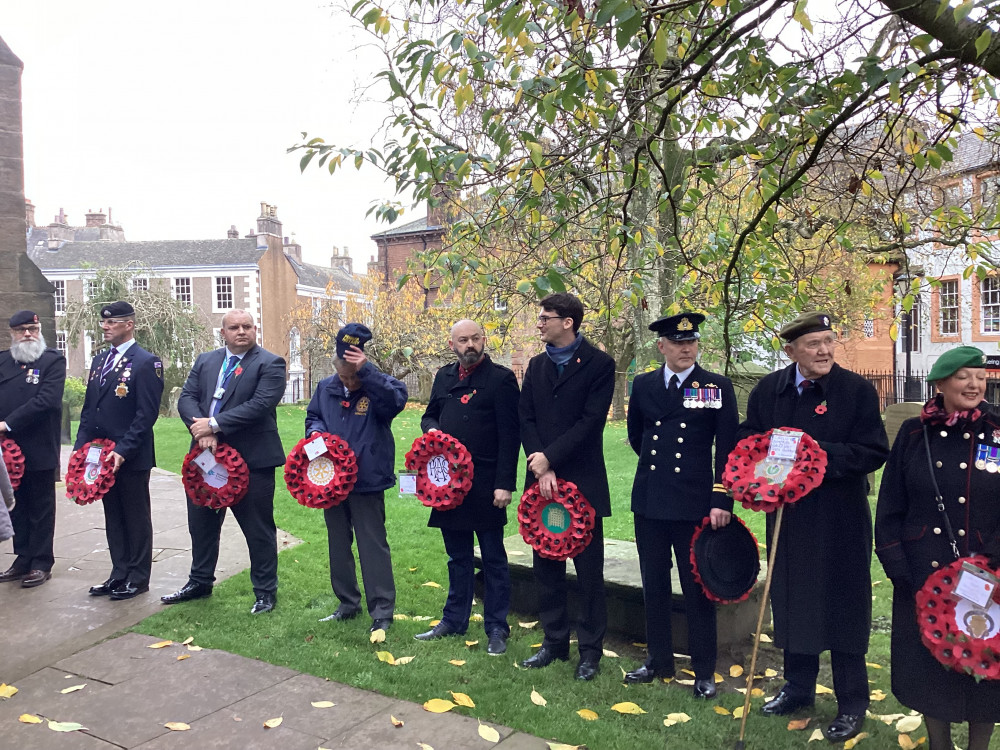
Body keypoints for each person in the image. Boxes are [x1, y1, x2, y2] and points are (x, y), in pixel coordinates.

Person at [738, 311, 889, 742]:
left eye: (828, 341)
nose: (824, 351)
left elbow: (873, 450)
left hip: (841, 516)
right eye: (813, 344)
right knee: (794, 599)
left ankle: (852, 701)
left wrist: (817, 457)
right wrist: (759, 467)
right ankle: (798, 688)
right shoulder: (770, 390)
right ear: (791, 351)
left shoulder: (856, 391)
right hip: (790, 517)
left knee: (844, 605)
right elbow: (749, 440)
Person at [876, 346, 1000, 750]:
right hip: (924, 572)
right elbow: (890, 504)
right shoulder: (915, 434)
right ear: (941, 384)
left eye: (980, 377)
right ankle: (939, 744)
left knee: (987, 662)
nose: (974, 384)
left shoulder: (998, 430)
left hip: (988, 574)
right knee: (930, 670)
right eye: (964, 377)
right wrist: (899, 567)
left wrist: (995, 562)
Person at [624, 312, 738, 698]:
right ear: (662, 346)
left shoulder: (715, 387)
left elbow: (727, 448)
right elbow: (637, 436)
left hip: (695, 503)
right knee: (654, 584)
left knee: (697, 588)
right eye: (677, 342)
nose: (686, 348)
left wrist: (722, 497)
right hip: (650, 501)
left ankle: (704, 670)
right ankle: (659, 660)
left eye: (691, 342)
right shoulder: (643, 385)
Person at [162, 309, 286, 615]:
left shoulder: (270, 363)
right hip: (205, 458)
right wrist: (201, 429)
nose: (241, 331)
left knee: (257, 529)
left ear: (255, 330)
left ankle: (265, 592)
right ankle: (199, 582)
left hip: (252, 459)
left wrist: (214, 425)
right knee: (201, 525)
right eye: (234, 327)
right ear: (223, 333)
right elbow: (187, 398)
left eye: (247, 326)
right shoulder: (206, 360)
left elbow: (260, 405)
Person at [519, 292, 615, 681]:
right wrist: (540, 466)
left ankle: (590, 651)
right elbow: (526, 418)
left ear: (568, 322)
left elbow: (591, 422)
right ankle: (554, 642)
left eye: (545, 317)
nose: (539, 323)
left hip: (582, 482)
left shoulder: (600, 365)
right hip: (541, 484)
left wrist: (551, 459)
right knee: (546, 567)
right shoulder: (536, 365)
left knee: (589, 574)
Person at [415, 319, 520, 655]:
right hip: (448, 486)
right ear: (452, 345)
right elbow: (429, 415)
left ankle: (496, 627)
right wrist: (432, 431)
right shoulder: (444, 377)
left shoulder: (501, 379)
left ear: (483, 340)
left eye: (475, 338)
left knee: (493, 559)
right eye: (463, 340)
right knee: (457, 556)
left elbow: (510, 436)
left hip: (487, 485)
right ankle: (453, 620)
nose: (470, 345)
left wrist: (504, 484)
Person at [306, 323, 407, 633]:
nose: (348, 382)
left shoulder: (381, 385)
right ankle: (347, 603)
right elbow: (314, 416)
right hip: (331, 481)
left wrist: (368, 374)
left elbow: (393, 404)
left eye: (353, 376)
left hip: (367, 479)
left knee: (372, 545)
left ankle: (382, 610)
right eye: (343, 376)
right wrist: (315, 434)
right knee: (338, 544)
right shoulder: (326, 387)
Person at [77, 301, 164, 600]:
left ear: (129, 324)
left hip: (130, 456)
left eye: (112, 322)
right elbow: (90, 409)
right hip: (101, 455)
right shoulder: (100, 361)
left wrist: (123, 450)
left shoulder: (146, 362)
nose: (105, 326)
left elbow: (146, 414)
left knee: (135, 517)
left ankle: (138, 578)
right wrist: (80, 451)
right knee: (113, 516)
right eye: (104, 322)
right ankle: (119, 573)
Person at [0, 311, 66, 587]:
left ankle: (41, 562)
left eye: (32, 328)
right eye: (21, 329)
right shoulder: (3, 360)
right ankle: (23, 558)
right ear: (12, 333)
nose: (27, 333)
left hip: (38, 446)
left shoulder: (53, 360)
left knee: (41, 507)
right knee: (16, 506)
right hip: (7, 450)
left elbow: (47, 400)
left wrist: (7, 424)